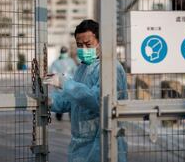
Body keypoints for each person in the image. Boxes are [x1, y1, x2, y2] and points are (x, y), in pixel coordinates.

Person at [44, 19, 128, 162]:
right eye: (79, 45)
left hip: (102, 143)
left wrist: (65, 83)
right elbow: (72, 100)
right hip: (80, 145)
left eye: (88, 44)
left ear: (100, 42)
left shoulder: (111, 68)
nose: (83, 49)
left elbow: (97, 101)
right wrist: (51, 101)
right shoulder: (82, 68)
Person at [50, 46, 77, 121]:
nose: (64, 54)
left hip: (70, 86)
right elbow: (52, 73)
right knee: (59, 101)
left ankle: (71, 117)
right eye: (63, 52)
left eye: (64, 52)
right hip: (59, 87)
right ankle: (59, 115)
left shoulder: (71, 61)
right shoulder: (55, 62)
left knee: (71, 102)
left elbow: (75, 72)